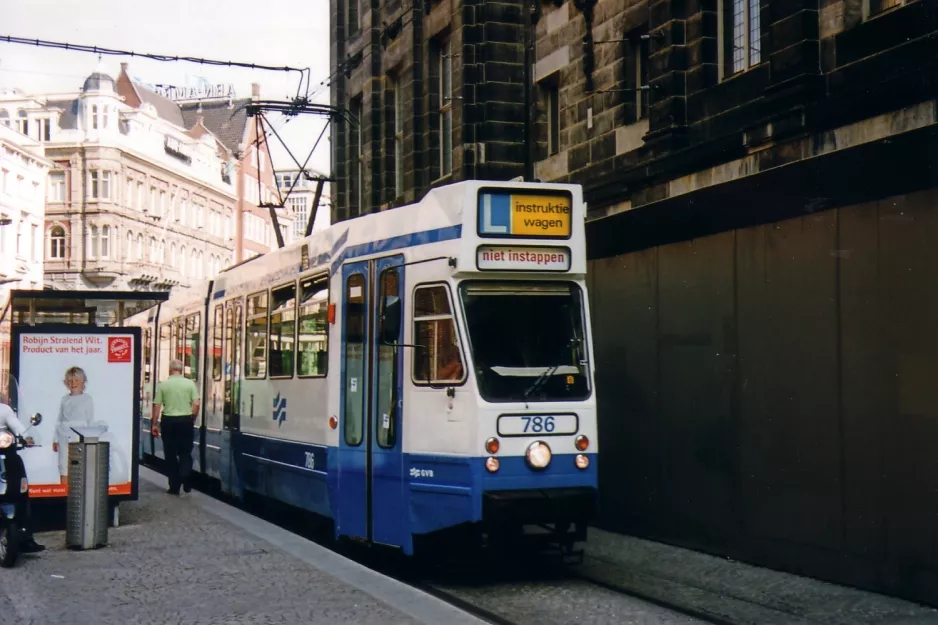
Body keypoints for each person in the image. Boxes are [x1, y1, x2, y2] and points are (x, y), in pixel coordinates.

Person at [0, 402, 45, 553]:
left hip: (5, 453)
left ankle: (26, 536)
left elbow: (17, 426)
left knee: (21, 488)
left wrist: (26, 437)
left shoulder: (3, 409)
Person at [152, 359, 200, 495]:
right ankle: (186, 476)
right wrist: (192, 419)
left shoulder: (163, 385)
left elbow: (157, 405)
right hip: (185, 421)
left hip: (169, 422)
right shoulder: (190, 384)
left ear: (170, 369)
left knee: (171, 455)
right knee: (185, 452)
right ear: (182, 370)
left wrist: (154, 424)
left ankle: (174, 487)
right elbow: (196, 404)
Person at [52, 366, 95, 485]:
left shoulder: (87, 399)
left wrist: (89, 439)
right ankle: (63, 491)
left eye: (76, 380)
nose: (73, 383)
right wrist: (55, 439)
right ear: (66, 383)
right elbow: (59, 419)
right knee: (63, 464)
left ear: (83, 382)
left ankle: (77, 491)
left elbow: (90, 420)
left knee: (77, 464)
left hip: (78, 436)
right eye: (70, 381)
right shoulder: (64, 399)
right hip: (63, 434)